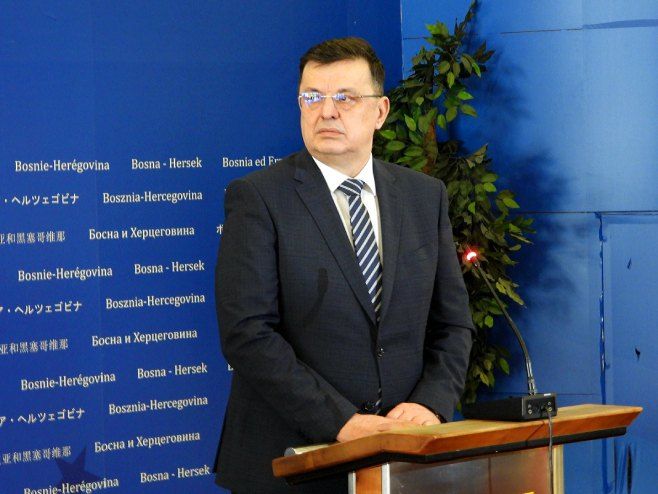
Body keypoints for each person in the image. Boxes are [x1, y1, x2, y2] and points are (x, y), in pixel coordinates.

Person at [213, 37, 474, 493]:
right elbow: (247, 333)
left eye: (345, 98)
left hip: (401, 459)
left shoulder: (423, 197)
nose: (326, 112)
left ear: (380, 111)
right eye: (312, 97)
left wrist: (430, 404)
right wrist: (341, 420)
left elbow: (452, 323)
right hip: (292, 462)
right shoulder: (258, 198)